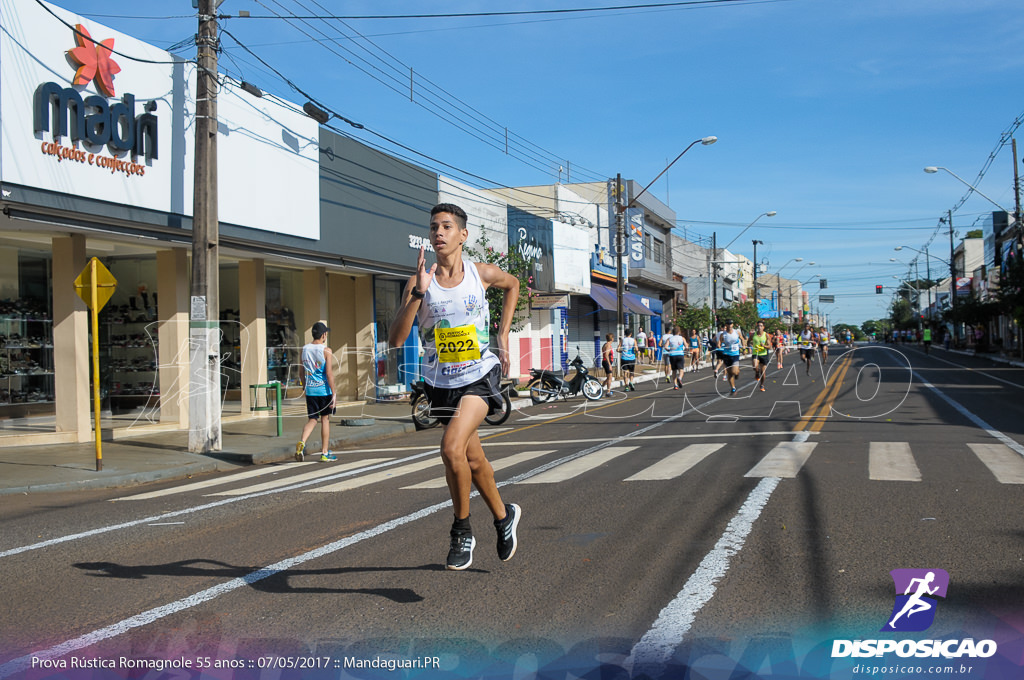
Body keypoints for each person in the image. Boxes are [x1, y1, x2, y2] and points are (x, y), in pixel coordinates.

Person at [388, 203, 521, 571]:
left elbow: (513, 285)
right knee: (472, 459)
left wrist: (503, 334)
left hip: (480, 376)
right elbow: (396, 340)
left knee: (450, 448)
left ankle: (462, 530)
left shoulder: (482, 274)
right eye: (434, 227)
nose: (439, 233)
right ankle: (503, 516)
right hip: (441, 384)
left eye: (447, 226)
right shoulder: (419, 284)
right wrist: (417, 294)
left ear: (463, 235)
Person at [296, 321, 337, 462]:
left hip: (310, 391)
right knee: (325, 419)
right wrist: (334, 393)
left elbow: (301, 372)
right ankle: (324, 452)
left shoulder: (304, 349)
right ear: (323, 335)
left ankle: (302, 441)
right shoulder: (326, 351)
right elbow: (329, 374)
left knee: (312, 419)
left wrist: (304, 385)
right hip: (323, 391)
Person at [719, 319, 745, 394]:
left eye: (731, 324)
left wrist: (743, 346)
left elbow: (742, 339)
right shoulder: (723, 334)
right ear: (726, 325)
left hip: (735, 354)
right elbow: (719, 343)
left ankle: (737, 373)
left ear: (732, 325)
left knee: (734, 371)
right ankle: (733, 387)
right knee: (729, 373)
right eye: (728, 324)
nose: (729, 325)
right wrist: (719, 346)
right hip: (727, 354)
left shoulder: (737, 332)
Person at [749, 321, 770, 392]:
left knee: (763, 373)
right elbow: (748, 341)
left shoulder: (766, 335)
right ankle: (756, 373)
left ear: (763, 327)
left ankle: (762, 384)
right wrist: (751, 345)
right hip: (756, 353)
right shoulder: (753, 335)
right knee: (755, 366)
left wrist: (764, 346)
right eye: (758, 326)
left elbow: (769, 346)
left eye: (761, 326)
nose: (759, 327)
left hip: (764, 355)